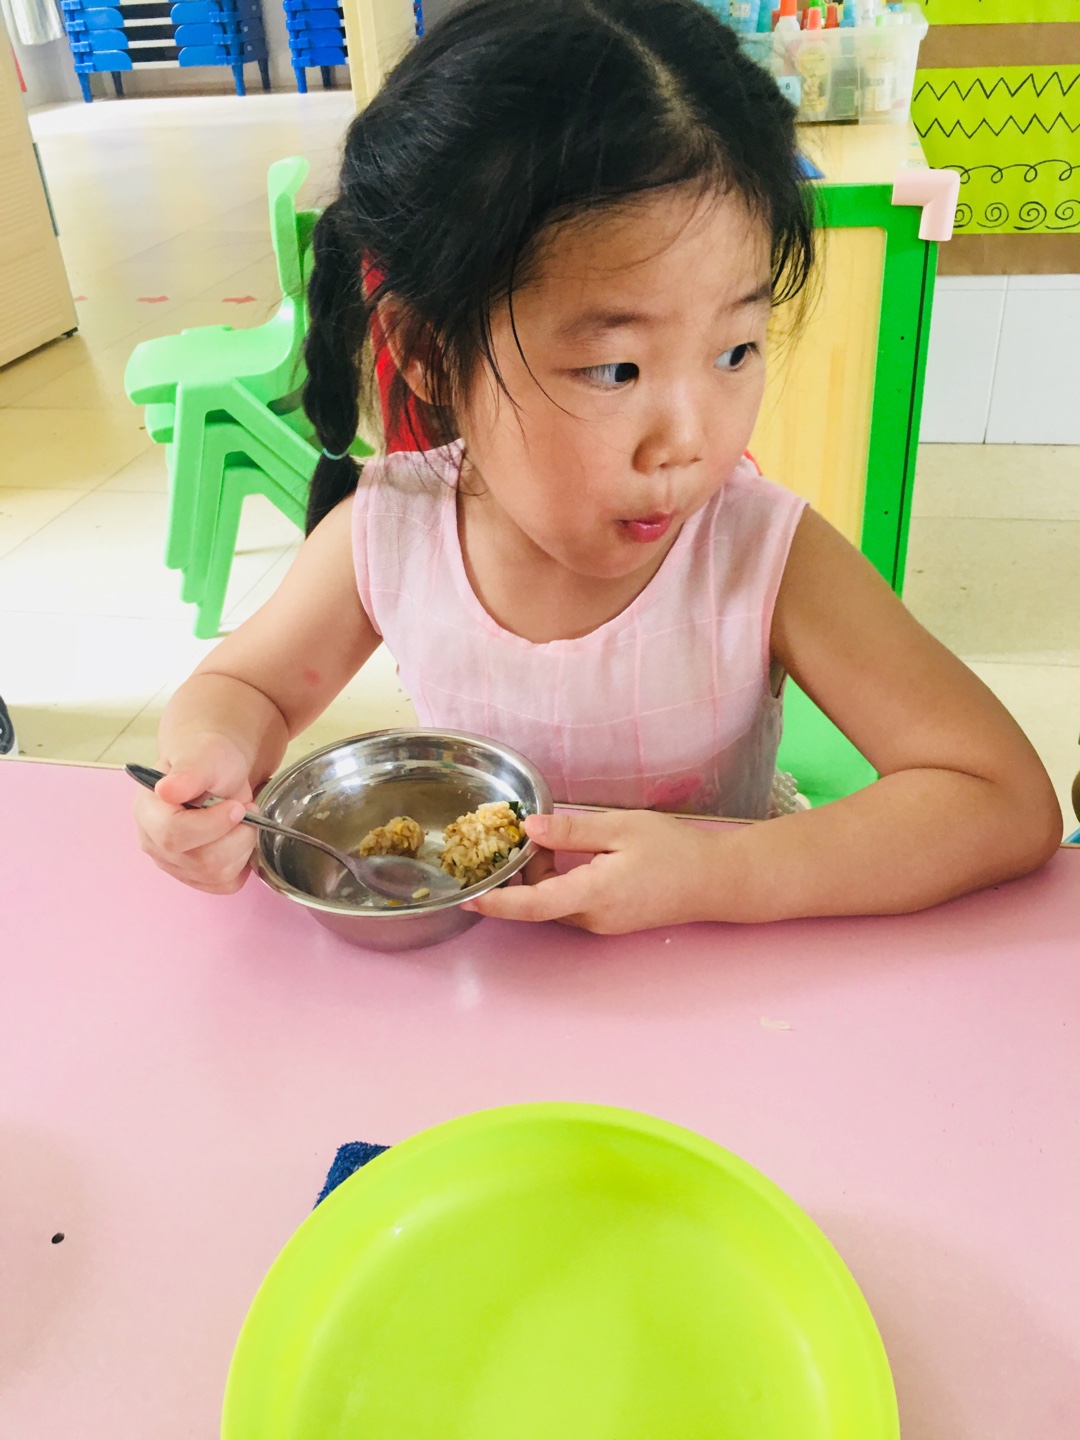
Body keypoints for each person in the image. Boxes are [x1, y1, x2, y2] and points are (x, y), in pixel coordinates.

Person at [134, 0, 1060, 932]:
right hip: (490, 987)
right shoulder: (390, 532)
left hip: (714, 979)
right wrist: (210, 764)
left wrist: (717, 872)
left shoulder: (760, 554)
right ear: (427, 354)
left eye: (735, 350)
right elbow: (244, 690)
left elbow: (1001, 798)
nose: (686, 441)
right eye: (616, 369)